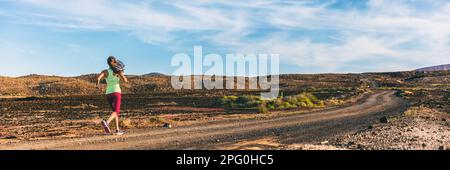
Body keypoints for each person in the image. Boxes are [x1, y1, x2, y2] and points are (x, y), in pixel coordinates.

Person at [96, 56, 128, 135]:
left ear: (107, 63)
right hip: (116, 92)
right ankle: (107, 122)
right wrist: (121, 73)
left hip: (108, 93)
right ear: (114, 62)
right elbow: (125, 80)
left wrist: (98, 85)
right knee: (116, 111)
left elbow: (98, 78)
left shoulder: (105, 71)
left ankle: (117, 130)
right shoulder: (118, 71)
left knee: (114, 112)